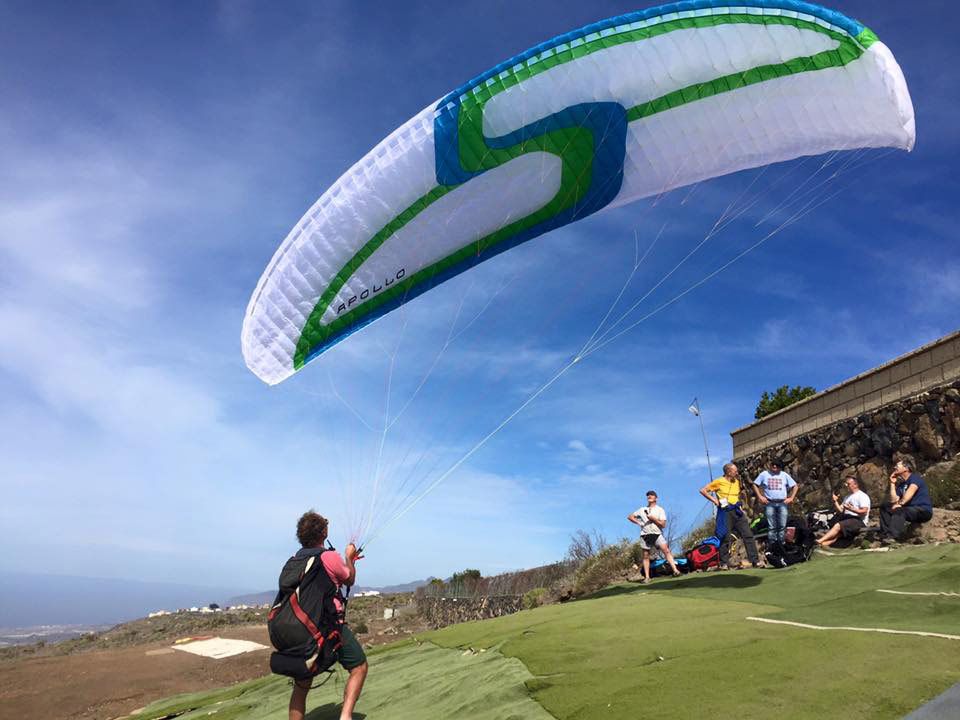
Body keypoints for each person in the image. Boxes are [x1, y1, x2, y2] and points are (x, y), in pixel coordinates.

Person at [288, 511, 367, 720]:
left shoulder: (295, 560)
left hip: (300, 629)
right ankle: (346, 716)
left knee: (302, 684)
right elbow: (349, 579)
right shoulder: (328, 557)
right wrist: (349, 558)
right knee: (359, 666)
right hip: (328, 627)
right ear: (323, 532)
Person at [699, 462, 761, 569]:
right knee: (725, 537)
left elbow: (737, 496)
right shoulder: (719, 481)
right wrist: (715, 500)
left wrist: (740, 507)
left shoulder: (736, 482)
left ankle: (755, 560)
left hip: (737, 511)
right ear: (728, 471)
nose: (737, 472)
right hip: (725, 511)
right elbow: (703, 490)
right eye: (735, 471)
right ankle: (724, 563)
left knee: (748, 534)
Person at [628, 490, 681, 582]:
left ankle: (675, 570)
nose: (649, 496)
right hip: (645, 534)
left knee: (666, 551)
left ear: (656, 498)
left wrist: (653, 519)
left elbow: (663, 525)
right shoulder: (641, 509)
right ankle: (647, 577)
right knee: (645, 556)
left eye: (652, 495)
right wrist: (639, 523)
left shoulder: (660, 510)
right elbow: (630, 516)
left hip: (657, 533)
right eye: (648, 495)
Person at [878, 459, 933, 541]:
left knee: (899, 510)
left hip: (922, 510)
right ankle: (885, 535)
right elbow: (894, 500)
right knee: (885, 507)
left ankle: (892, 537)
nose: (894, 467)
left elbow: (909, 493)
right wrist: (892, 483)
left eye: (897, 465)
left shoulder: (915, 478)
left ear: (906, 468)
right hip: (909, 510)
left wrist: (900, 503)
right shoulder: (901, 485)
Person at [752, 459, 798, 553]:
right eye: (773, 465)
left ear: (780, 467)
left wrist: (791, 498)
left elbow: (795, 486)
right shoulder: (764, 474)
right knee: (772, 526)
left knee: (782, 525)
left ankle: (782, 545)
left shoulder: (784, 475)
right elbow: (755, 484)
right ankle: (773, 547)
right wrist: (760, 496)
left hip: (782, 503)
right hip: (770, 503)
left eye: (777, 466)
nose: (774, 467)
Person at [816, 475, 871, 547]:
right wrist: (835, 501)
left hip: (859, 521)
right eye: (846, 484)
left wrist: (852, 509)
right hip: (847, 519)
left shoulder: (862, 496)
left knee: (838, 526)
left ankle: (820, 541)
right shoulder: (847, 497)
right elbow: (841, 510)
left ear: (855, 485)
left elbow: (864, 511)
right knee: (837, 533)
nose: (846, 486)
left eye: (848, 484)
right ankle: (821, 544)